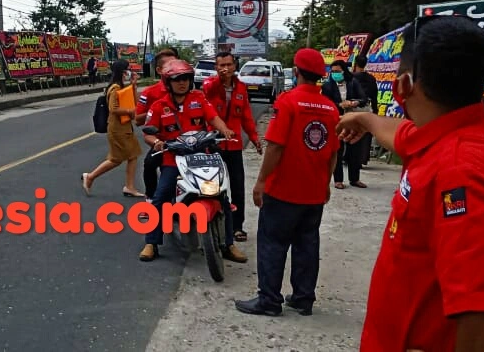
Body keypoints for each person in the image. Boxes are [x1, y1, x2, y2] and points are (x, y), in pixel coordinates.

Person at [335, 15, 484, 351]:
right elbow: (402, 135)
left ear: (404, 85)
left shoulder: (459, 170)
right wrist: (364, 119)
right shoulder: (454, 133)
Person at [234, 48, 340, 317]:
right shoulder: (330, 108)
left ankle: (269, 300)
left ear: (297, 72)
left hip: (283, 190)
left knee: (272, 243)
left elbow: (276, 146)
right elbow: (333, 152)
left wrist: (260, 181)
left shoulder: (288, 102)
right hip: (314, 192)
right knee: (307, 244)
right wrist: (325, 184)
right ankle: (304, 298)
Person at [140, 58, 247, 263]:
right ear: (168, 82)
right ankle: (151, 242)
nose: (182, 82)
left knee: (221, 194)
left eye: (186, 78)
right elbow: (148, 133)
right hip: (173, 160)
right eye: (177, 79)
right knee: (161, 197)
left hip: (201, 157)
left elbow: (213, 118)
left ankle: (229, 244)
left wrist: (224, 129)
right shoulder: (159, 106)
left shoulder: (199, 99)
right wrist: (156, 142)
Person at [202, 51, 263, 243]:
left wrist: (254, 138)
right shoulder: (209, 85)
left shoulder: (241, 88)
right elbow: (208, 92)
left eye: (228, 64)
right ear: (216, 67)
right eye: (221, 65)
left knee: (237, 185)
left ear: (235, 66)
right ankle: (212, 222)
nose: (225, 68)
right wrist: (220, 79)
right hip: (212, 144)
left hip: (234, 145)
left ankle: (237, 226)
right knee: (212, 185)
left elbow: (245, 116)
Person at [83, 59, 143, 197]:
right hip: (118, 129)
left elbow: (134, 101)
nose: (130, 72)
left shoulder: (121, 87)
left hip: (124, 128)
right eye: (128, 69)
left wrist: (133, 85)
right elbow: (113, 108)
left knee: (132, 156)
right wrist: (130, 111)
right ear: (122, 71)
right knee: (117, 159)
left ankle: (129, 186)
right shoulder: (115, 88)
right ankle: (90, 177)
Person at [134, 48, 179, 201]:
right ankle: (150, 199)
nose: (173, 69)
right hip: (162, 142)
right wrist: (158, 112)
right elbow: (138, 120)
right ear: (159, 70)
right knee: (150, 164)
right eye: (168, 66)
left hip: (185, 141)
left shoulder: (184, 86)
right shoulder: (150, 93)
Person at [321, 59, 370, 189]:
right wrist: (339, 105)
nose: (335, 74)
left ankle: (355, 179)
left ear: (344, 71)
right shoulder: (327, 86)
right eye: (333, 72)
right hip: (337, 120)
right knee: (337, 149)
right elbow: (326, 103)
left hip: (352, 119)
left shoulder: (353, 82)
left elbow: (363, 99)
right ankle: (338, 180)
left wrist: (354, 103)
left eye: (338, 71)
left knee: (355, 149)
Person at [351, 55, 378, 166]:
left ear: (355, 64)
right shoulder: (371, 78)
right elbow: (375, 96)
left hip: (353, 107)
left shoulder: (351, 78)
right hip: (367, 108)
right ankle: (363, 158)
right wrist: (375, 110)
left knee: (352, 132)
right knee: (365, 134)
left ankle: (351, 157)